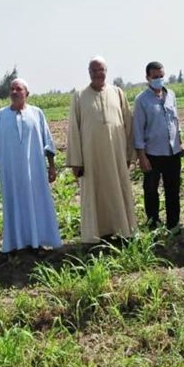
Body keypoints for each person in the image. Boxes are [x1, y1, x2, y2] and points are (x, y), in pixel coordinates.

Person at [0, 78, 62, 254]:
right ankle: (15, 243)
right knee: (13, 204)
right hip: (10, 172)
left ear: (26, 93)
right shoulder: (1, 115)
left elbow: (48, 142)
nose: (14, 92)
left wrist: (51, 166)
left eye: (18, 89)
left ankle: (37, 241)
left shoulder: (37, 113)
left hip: (34, 171)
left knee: (36, 204)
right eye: (11, 89)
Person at [66, 56, 137, 243]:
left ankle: (123, 230)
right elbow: (73, 129)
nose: (98, 74)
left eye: (101, 70)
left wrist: (129, 154)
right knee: (94, 193)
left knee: (118, 190)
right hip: (91, 158)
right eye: (94, 70)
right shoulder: (79, 96)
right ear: (89, 72)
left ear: (106, 71)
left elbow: (128, 124)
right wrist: (76, 161)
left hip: (116, 155)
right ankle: (96, 235)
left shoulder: (117, 93)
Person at [132, 61, 184, 230]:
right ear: (147, 78)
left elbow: (175, 121)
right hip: (152, 154)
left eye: (161, 76)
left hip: (172, 152)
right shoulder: (141, 100)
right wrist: (142, 157)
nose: (159, 80)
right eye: (155, 77)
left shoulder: (171, 95)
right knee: (151, 190)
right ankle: (153, 223)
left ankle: (173, 223)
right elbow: (138, 129)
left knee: (173, 189)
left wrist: (180, 141)